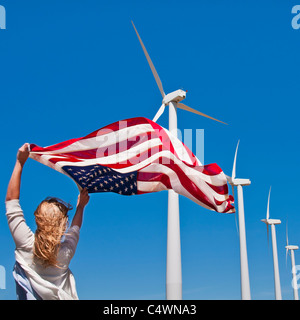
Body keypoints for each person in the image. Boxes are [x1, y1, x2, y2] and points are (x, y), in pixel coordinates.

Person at [5, 143, 90, 300]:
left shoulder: (26, 244)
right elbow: (75, 230)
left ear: (38, 218)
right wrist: (81, 207)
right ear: (62, 224)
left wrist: (19, 162)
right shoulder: (64, 254)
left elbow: (11, 202)